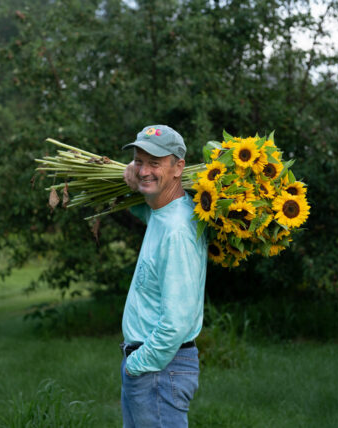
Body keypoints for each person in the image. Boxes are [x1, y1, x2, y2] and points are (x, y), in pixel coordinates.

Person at [120, 124, 208, 427]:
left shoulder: (178, 231)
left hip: (158, 367)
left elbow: (177, 321)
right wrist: (129, 176)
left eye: (154, 163)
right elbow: (143, 209)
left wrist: (137, 365)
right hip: (154, 365)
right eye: (139, 161)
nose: (144, 171)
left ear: (178, 168)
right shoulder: (165, 211)